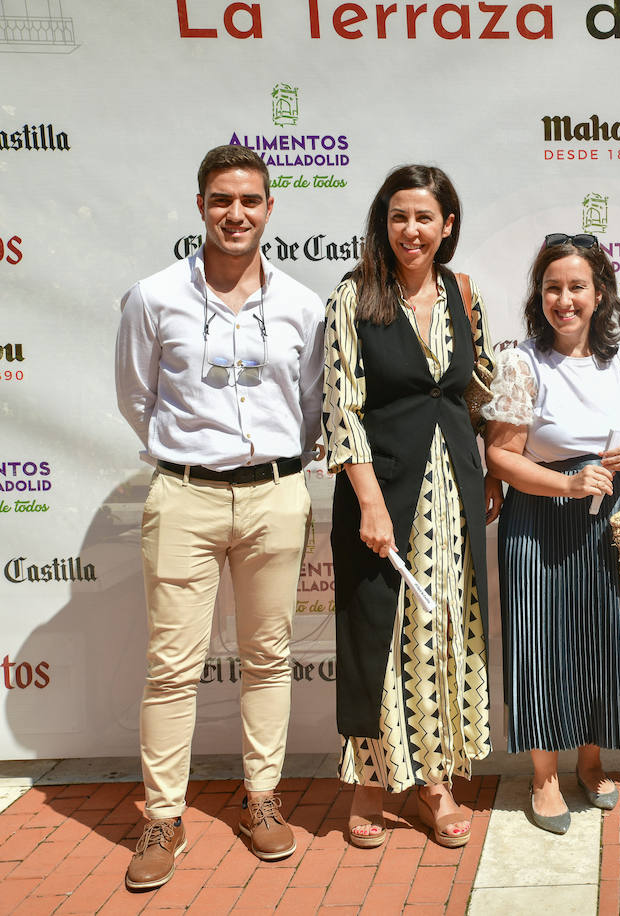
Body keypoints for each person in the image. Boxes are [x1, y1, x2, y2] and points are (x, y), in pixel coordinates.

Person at [115, 144, 324, 890]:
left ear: (270, 209)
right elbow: (136, 398)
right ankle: (163, 816)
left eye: (249, 201)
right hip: (184, 494)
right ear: (200, 206)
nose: (235, 214)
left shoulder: (302, 304)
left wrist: (274, 469)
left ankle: (262, 799)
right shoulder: (154, 297)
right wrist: (191, 457)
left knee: (268, 653)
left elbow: (309, 408)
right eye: (220, 201)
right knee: (173, 667)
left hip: (274, 493)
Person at [324, 164, 497, 850]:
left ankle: (433, 784)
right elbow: (342, 408)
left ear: (447, 225)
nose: (412, 229)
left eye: (425, 217)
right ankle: (371, 781)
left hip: (452, 490)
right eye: (399, 216)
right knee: (379, 639)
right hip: (382, 496)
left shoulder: (463, 292)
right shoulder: (354, 295)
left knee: (440, 636)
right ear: (383, 222)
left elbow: (476, 390)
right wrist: (369, 503)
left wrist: (494, 470)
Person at [484, 234, 620, 835]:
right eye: (553, 287)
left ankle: (591, 763)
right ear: (539, 296)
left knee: (599, 641)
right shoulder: (521, 362)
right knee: (540, 646)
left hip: (610, 521)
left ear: (599, 293)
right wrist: (565, 484)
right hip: (539, 521)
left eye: (577, 287)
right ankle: (543, 776)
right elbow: (501, 457)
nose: (565, 300)